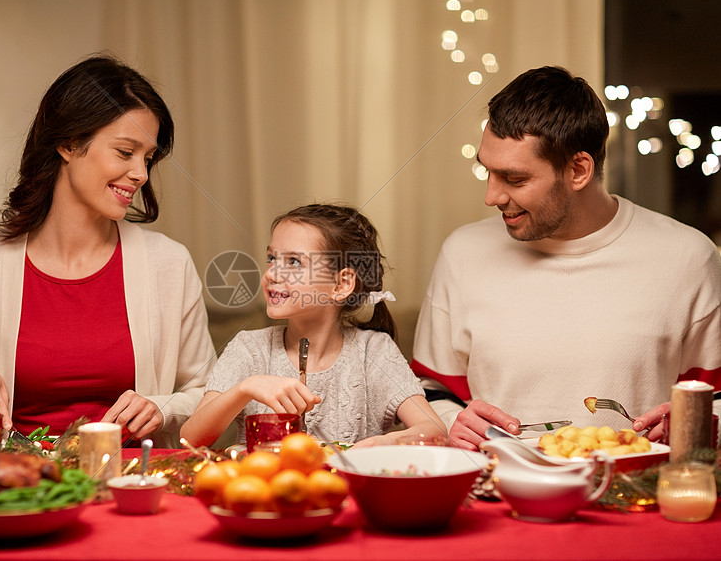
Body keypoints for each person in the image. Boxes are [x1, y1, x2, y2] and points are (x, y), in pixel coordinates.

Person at [411, 66, 721, 451]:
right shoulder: (462, 253)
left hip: (634, 498)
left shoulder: (689, 258)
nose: (491, 196)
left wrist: (699, 424)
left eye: (514, 178)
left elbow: (716, 398)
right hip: (499, 495)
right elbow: (429, 391)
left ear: (578, 170)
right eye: (487, 171)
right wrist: (452, 422)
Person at [0, 55, 216, 447]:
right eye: (125, 152)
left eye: (148, 158)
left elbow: (208, 392)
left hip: (125, 487)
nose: (141, 173)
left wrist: (163, 408)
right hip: (12, 487)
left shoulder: (169, 264)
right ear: (69, 143)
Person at [180, 204, 447, 448]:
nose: (272, 274)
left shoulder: (373, 351)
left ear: (341, 285)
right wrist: (245, 389)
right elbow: (189, 439)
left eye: (293, 262)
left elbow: (434, 430)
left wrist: (379, 445)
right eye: (272, 259)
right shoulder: (249, 349)